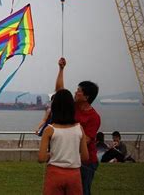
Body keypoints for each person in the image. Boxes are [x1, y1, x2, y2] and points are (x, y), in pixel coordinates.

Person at [55, 57, 101, 195]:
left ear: (86, 97)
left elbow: (86, 140)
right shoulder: (73, 106)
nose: (75, 92)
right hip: (70, 158)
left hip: (86, 161)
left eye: (79, 90)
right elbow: (60, 91)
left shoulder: (94, 117)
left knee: (82, 191)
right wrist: (61, 69)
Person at [38, 89, 89, 195]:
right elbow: (85, 157)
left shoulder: (49, 130)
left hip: (54, 174)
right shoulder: (79, 129)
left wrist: (50, 155)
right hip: (74, 175)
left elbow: (41, 158)